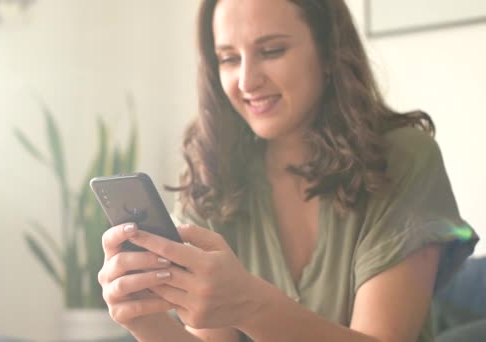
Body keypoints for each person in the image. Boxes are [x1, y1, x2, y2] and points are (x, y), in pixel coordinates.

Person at [98, 0, 479, 341]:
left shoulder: (404, 158)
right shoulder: (215, 175)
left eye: (272, 50)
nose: (247, 81)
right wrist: (146, 322)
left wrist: (250, 305)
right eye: (229, 58)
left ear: (329, 52)